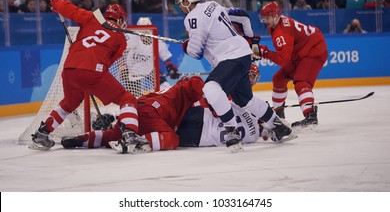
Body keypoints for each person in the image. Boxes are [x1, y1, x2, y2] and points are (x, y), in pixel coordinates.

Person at [174, 0, 293, 151]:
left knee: (211, 88)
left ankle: (232, 131)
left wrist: (186, 46)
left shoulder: (192, 17)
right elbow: (242, 16)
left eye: (180, 0)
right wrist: (250, 40)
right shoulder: (212, 5)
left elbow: (196, 52)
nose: (179, 4)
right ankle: (279, 126)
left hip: (230, 57)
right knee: (246, 101)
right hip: (242, 54)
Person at [61, 65, 294, 152]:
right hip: (167, 118)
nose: (250, 80)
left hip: (154, 110)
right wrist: (212, 104)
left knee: (114, 132)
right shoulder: (249, 122)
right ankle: (133, 140)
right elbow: (196, 89)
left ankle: (83, 139)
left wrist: (213, 105)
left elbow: (198, 91)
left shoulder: (234, 101)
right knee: (170, 139)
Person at [30, 0, 150, 153]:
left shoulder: (92, 18)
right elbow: (109, 61)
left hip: (70, 68)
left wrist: (56, 2)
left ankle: (42, 133)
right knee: (126, 98)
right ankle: (130, 134)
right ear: (120, 19)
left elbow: (71, 10)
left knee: (69, 103)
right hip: (93, 71)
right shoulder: (121, 37)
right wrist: (93, 79)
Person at [258, 1, 328, 128]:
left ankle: (310, 116)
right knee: (278, 79)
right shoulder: (275, 24)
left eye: (267, 17)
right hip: (300, 53)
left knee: (301, 82)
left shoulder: (281, 32)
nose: (265, 20)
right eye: (264, 17)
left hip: (313, 50)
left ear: (276, 16)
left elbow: (283, 60)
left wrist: (265, 53)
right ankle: (278, 114)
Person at [136, 17, 180, 90]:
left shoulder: (157, 41)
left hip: (151, 69)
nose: (144, 33)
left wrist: (171, 68)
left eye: (146, 31)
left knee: (166, 88)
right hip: (134, 69)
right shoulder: (131, 40)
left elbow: (166, 58)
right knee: (133, 92)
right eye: (142, 31)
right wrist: (123, 66)